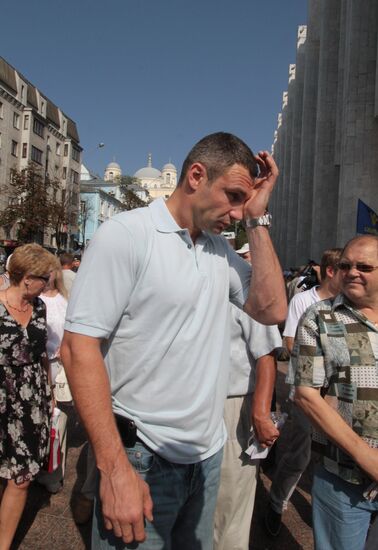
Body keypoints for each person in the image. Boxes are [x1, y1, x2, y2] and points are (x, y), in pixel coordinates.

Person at [61, 132, 287, 549]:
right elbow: (77, 350)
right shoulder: (127, 235)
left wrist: (258, 217)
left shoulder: (220, 252)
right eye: (234, 196)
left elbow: (271, 310)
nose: (237, 213)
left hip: (208, 457)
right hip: (141, 457)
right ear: (196, 176)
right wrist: (113, 471)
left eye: (245, 201)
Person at [292, 235, 378, 549]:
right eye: (346, 265)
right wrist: (365, 456)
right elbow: (306, 395)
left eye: (364, 266)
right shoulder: (320, 317)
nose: (353, 272)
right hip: (343, 478)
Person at [265, 248, 342, 536]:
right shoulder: (304, 299)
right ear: (331, 271)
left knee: (334, 460)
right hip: (308, 392)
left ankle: (327, 515)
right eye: (345, 268)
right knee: (299, 455)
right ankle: (275, 504)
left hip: (335, 396)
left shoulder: (348, 304)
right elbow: (288, 342)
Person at [0, 244, 57, 549]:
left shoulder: (40, 308)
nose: (48, 283)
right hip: (1, 394)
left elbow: (42, 354)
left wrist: (48, 391)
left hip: (30, 399)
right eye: (43, 278)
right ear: (26, 277)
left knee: (21, 477)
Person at [213, 303, 282, 550]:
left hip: (232, 405)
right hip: (189, 400)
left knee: (230, 500)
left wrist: (262, 413)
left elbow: (266, 355)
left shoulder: (247, 285)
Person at [36, 262, 70, 494]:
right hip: (39, 363)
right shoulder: (35, 300)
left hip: (61, 365)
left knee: (59, 419)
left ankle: (53, 473)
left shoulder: (64, 299)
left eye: (49, 270)